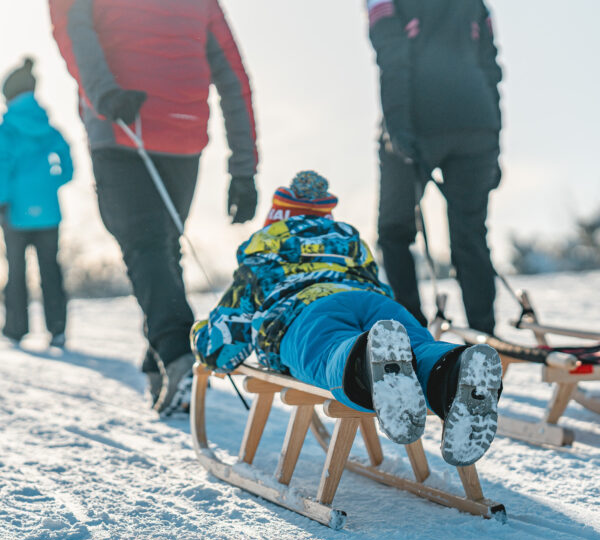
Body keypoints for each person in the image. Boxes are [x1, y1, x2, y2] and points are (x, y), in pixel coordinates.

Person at [192, 171, 502, 466]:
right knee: (417, 347)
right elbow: (377, 283)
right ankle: (456, 367)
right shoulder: (349, 242)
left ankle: (368, 360)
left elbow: (223, 345)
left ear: (277, 215)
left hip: (306, 310)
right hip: (375, 303)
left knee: (331, 349)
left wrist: (199, 335)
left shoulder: (266, 248)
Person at [50, 0, 259, 415]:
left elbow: (73, 30)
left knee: (144, 245)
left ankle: (178, 353)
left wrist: (102, 93)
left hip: (120, 123)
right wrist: (243, 166)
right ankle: (158, 362)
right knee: (161, 245)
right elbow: (234, 77)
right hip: (180, 130)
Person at [367, 0, 504, 335]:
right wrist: (495, 139)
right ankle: (484, 338)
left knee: (394, 232)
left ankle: (411, 336)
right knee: (470, 234)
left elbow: (392, 55)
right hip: (476, 122)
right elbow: (490, 66)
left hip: (417, 121)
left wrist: (397, 126)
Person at [0, 57, 75, 347]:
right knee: (50, 270)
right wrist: (52, 182)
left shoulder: (5, 130)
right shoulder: (48, 128)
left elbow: (1, 167)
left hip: (16, 211)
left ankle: (16, 328)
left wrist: (1, 202)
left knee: (16, 270)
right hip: (49, 212)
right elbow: (68, 165)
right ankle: (57, 328)